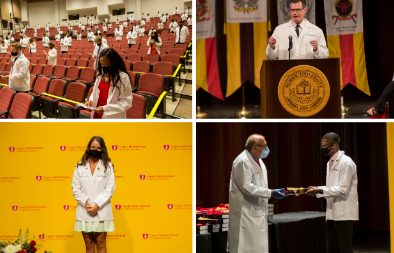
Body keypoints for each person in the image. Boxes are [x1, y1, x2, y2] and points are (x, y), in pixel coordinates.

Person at [227, 134, 287, 253]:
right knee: (244, 247)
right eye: (264, 146)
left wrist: (269, 196)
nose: (266, 148)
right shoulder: (243, 161)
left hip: (258, 210)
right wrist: (271, 193)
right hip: (245, 212)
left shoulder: (258, 160)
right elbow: (246, 187)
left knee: (258, 247)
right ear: (254, 147)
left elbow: (260, 185)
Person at [306, 132, 358, 253]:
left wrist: (319, 190)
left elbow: (342, 189)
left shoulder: (346, 162)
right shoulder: (330, 162)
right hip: (333, 212)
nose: (322, 148)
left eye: (324, 145)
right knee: (333, 247)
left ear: (333, 145)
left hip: (344, 212)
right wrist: (317, 188)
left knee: (344, 248)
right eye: (321, 145)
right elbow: (332, 186)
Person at [72, 136, 115, 253]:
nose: (95, 149)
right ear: (89, 148)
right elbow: (75, 188)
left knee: (101, 243)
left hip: (101, 210)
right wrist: (86, 204)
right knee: (89, 244)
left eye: (98, 148)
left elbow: (109, 189)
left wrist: (97, 205)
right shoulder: (80, 166)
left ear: (102, 150)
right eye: (93, 147)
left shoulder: (108, 166)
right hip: (84, 210)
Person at [85, 48, 133, 119]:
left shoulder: (122, 77)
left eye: (106, 63)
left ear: (114, 62)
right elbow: (96, 92)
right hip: (98, 111)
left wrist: (106, 109)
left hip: (112, 114)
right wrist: (91, 100)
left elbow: (126, 101)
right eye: (101, 64)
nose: (104, 66)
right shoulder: (100, 74)